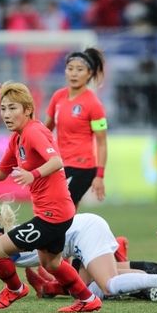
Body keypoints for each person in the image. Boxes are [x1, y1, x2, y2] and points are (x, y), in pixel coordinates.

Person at [0, 81, 101, 313]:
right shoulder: (17, 138)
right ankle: (88, 299)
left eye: (12, 108)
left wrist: (32, 175)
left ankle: (14, 289)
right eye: (3, 108)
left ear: (28, 110)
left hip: (52, 215)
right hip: (57, 213)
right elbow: (0, 172)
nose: (6, 114)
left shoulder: (33, 132)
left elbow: (56, 161)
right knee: (51, 263)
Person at [0, 199, 157, 303]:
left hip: (85, 231)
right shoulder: (10, 242)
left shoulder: (7, 247)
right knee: (93, 290)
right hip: (81, 234)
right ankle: (156, 279)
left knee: (109, 285)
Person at [45, 47, 108, 207]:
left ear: (89, 73)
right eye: (70, 68)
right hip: (60, 163)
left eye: (79, 70)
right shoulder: (58, 97)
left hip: (83, 166)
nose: (74, 73)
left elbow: (102, 143)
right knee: (51, 207)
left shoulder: (94, 104)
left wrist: (99, 176)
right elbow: (46, 130)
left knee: (64, 208)